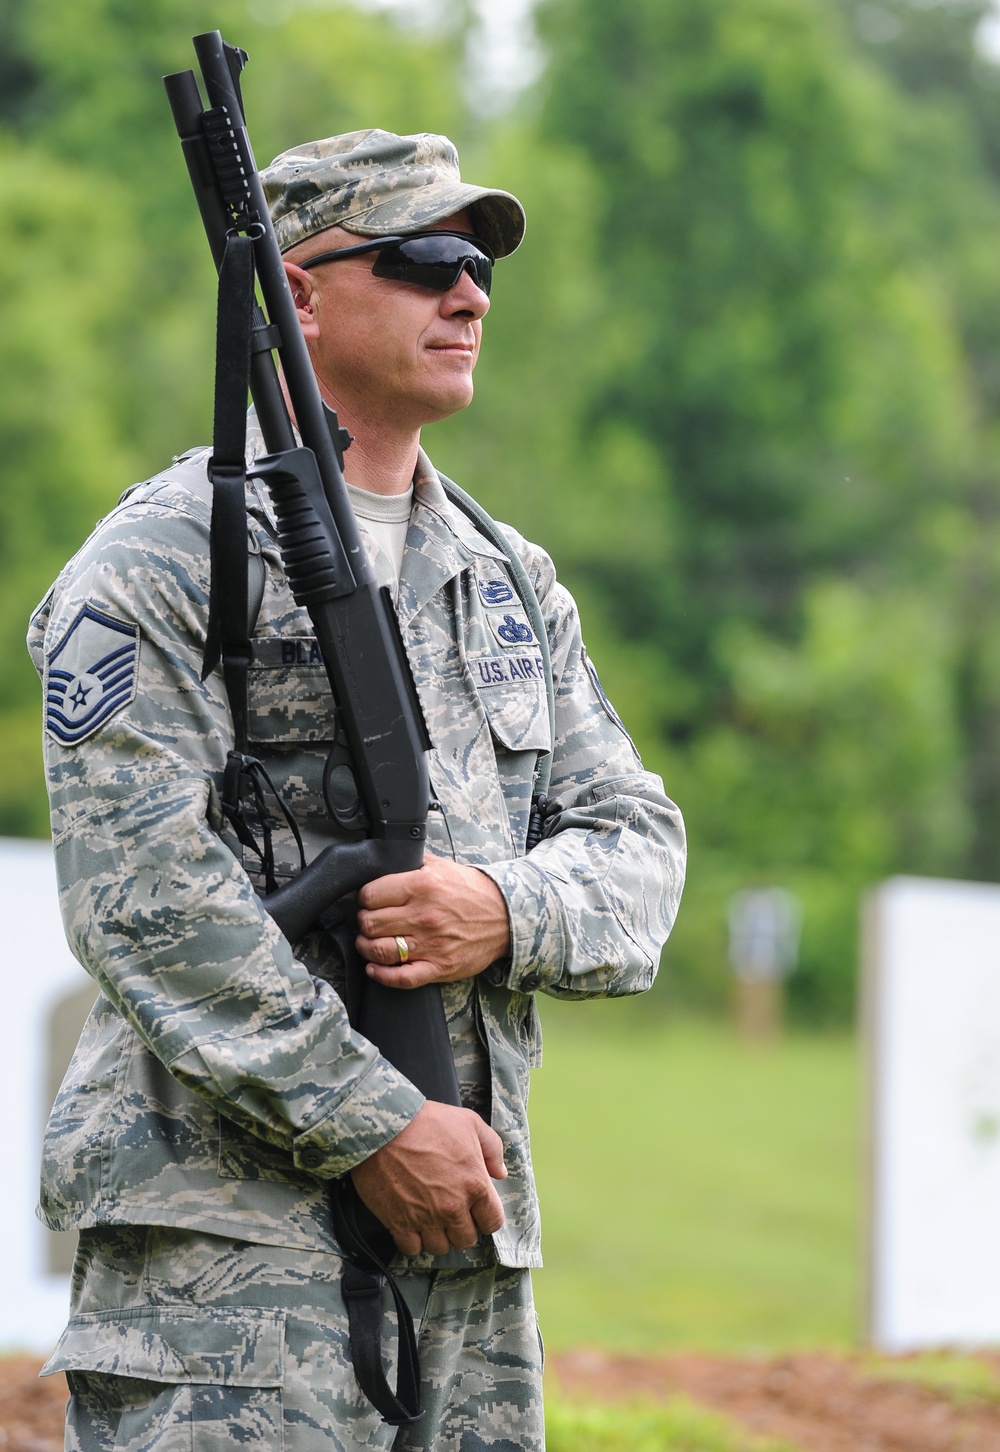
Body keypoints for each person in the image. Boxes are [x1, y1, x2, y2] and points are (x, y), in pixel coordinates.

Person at [28, 129, 685, 1452]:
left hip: (463, 1238)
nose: (471, 292)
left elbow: (639, 848)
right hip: (219, 1265)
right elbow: (143, 898)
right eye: (424, 258)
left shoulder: (506, 576)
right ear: (300, 295)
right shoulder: (160, 564)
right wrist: (375, 1125)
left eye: (482, 261)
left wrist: (499, 908)